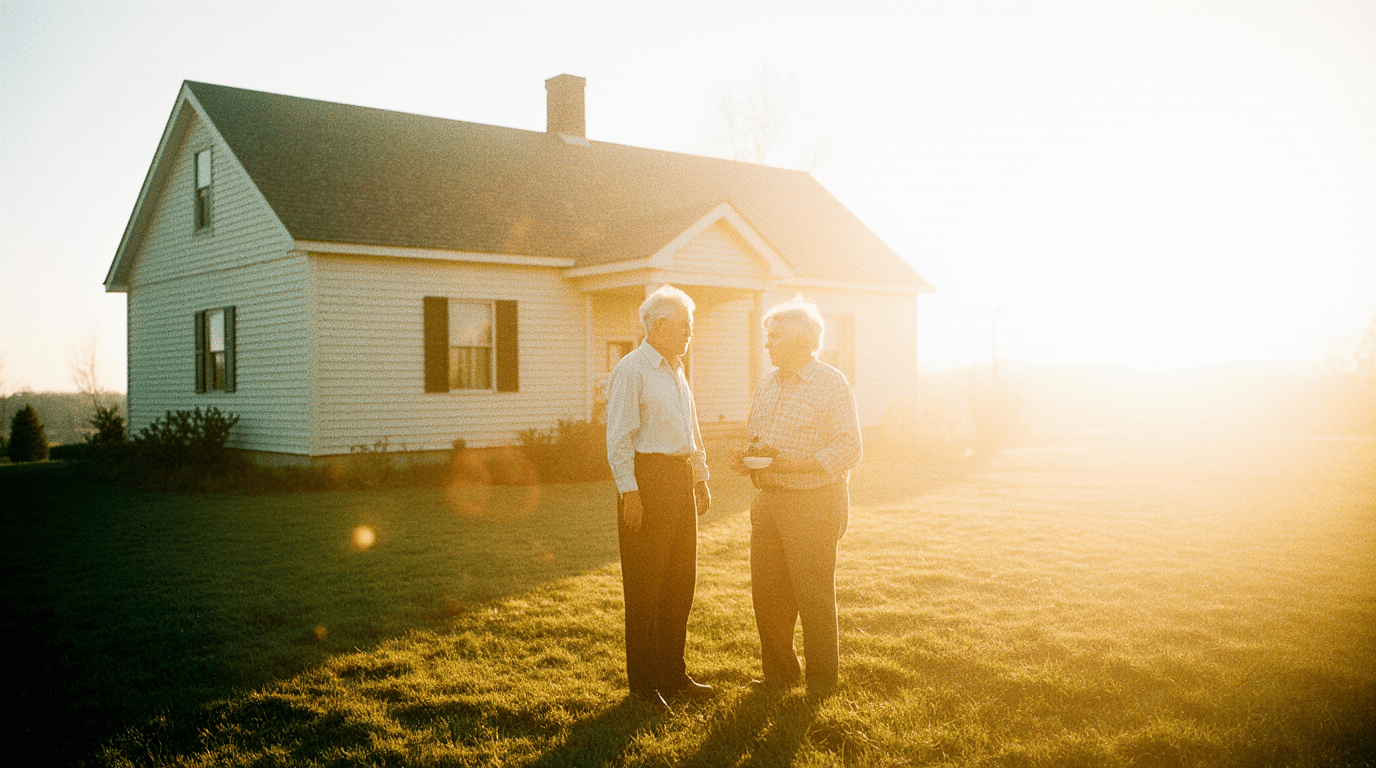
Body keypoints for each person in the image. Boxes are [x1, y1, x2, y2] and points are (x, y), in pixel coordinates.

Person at [732, 296, 861, 699]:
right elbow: (758, 439)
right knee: (768, 594)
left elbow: (850, 447)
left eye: (776, 337)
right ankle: (780, 675)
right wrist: (746, 457)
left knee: (813, 595)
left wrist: (799, 465)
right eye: (767, 337)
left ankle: (822, 684)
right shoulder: (767, 383)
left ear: (805, 340)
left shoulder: (831, 383)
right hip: (768, 502)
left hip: (815, 503)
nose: (767, 344)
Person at [605, 285, 715, 710]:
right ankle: (644, 686)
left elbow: (691, 428)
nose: (690, 332)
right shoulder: (632, 370)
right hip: (645, 483)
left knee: (679, 583)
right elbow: (619, 437)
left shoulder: (676, 368)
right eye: (685, 325)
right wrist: (629, 492)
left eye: (690, 325)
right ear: (659, 326)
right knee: (646, 588)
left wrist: (700, 476)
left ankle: (673, 674)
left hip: (678, 480)